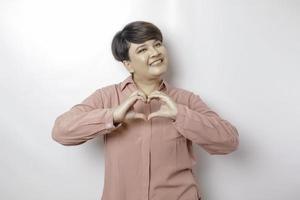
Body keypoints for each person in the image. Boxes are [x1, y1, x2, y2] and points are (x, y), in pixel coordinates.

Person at [51, 21, 239, 200]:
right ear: (128, 64)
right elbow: (61, 131)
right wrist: (112, 116)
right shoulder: (106, 97)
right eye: (142, 49)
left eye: (157, 44)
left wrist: (181, 115)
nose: (155, 52)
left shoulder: (186, 100)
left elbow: (229, 142)